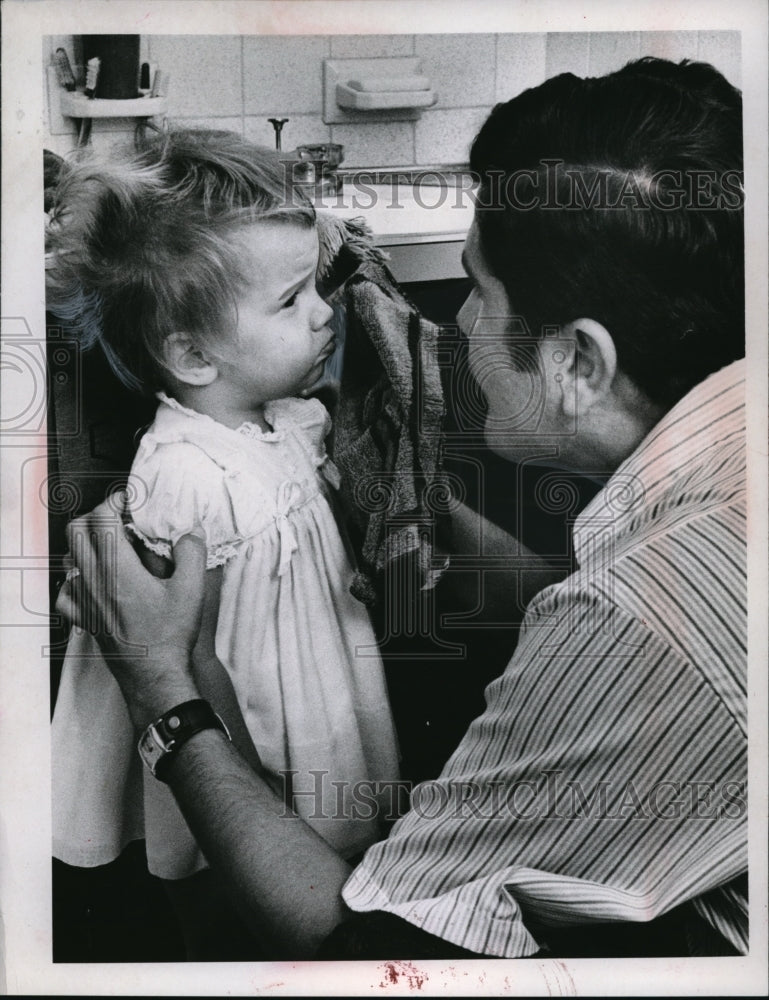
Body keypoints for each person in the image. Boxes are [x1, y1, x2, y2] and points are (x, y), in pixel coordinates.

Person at [57, 57, 747, 959]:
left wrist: (163, 690)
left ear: (580, 361)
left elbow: (370, 952)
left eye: (479, 291)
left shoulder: (643, 621)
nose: (452, 325)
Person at [47, 131, 399, 953]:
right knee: (226, 888)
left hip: (312, 682)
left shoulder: (287, 418)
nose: (323, 311)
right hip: (239, 731)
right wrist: (255, 779)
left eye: (315, 285)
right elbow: (189, 656)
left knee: (325, 849)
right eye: (290, 301)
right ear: (193, 353)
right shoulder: (184, 477)